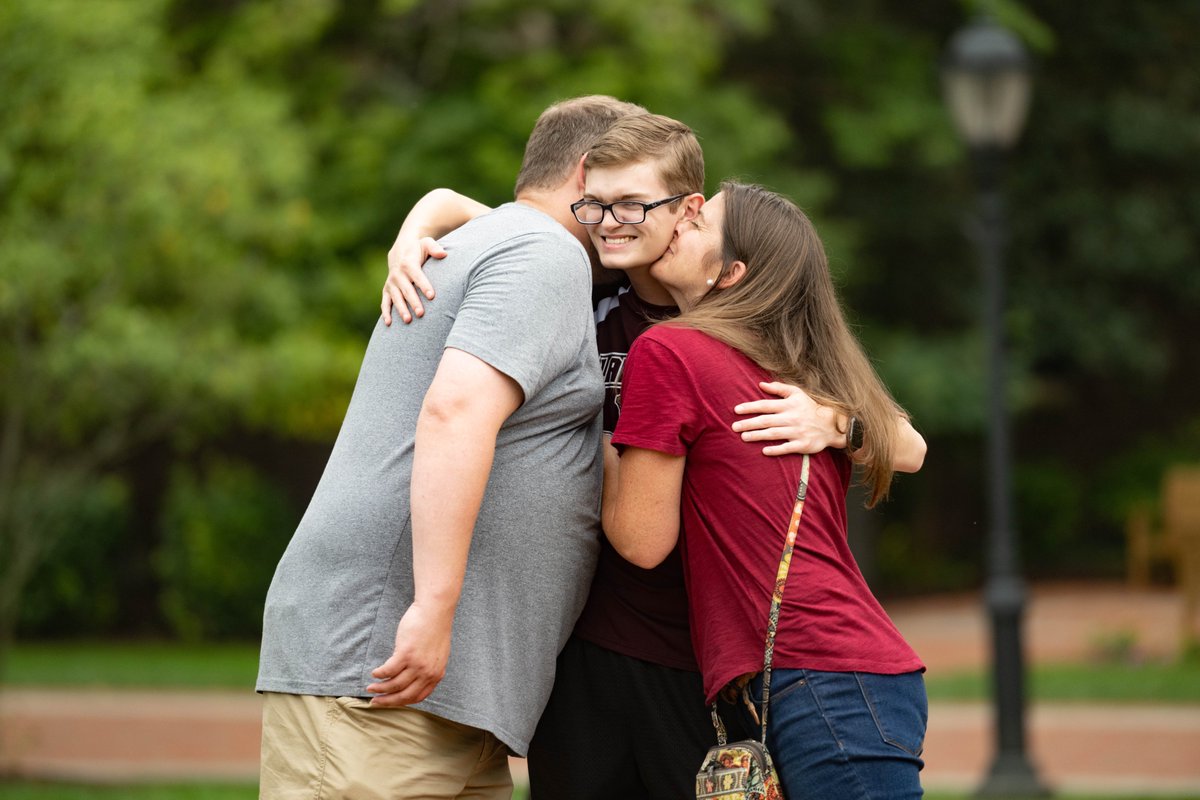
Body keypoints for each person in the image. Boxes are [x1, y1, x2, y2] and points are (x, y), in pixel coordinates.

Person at [381, 115, 926, 798]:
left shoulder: (752, 340)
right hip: (587, 629)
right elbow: (499, 215)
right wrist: (417, 228)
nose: (613, 220)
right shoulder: (584, 283)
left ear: (692, 216)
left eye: (638, 206)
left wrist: (836, 421)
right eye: (599, 205)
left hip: (702, 650)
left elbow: (909, 446)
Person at [255, 94, 647, 800]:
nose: (638, 218)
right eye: (631, 194)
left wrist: (427, 210)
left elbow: (458, 205)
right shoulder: (543, 252)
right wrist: (435, 607)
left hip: (439, 697)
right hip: (385, 673)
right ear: (588, 175)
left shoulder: (509, 241)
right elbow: (456, 412)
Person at [603, 181, 928, 800]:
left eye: (702, 223)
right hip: (846, 673)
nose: (683, 219)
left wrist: (579, 435)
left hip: (820, 678)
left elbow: (641, 541)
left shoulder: (669, 351)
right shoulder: (782, 361)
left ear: (732, 273)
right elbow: (908, 446)